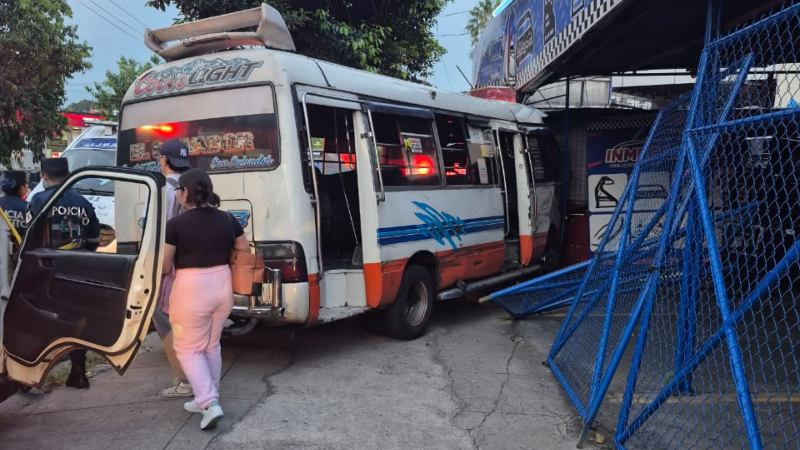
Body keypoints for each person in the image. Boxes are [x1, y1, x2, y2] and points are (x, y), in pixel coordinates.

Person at [164, 169, 248, 430]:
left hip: (192, 289)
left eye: (179, 191)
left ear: (186, 192)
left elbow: (166, 265)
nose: (177, 195)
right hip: (223, 286)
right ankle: (207, 398)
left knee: (187, 348)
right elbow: (244, 250)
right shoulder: (227, 219)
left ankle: (209, 403)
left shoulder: (176, 225)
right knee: (211, 345)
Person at [29, 158, 100, 389]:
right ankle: (78, 370)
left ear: (44, 175)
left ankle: (37, 374)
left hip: (48, 272)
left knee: (45, 320)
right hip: (78, 270)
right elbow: (94, 238)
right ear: (69, 174)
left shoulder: (39, 200)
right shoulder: (83, 202)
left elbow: (29, 239)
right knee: (77, 320)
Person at [154, 139, 194, 399]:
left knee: (162, 317)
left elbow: (161, 230)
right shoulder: (189, 187)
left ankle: (185, 379)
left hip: (170, 264)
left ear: (164, 160)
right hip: (191, 264)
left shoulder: (163, 190)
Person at [0, 171, 30, 236]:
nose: (27, 186)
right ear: (22, 187)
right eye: (26, 183)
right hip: (22, 245)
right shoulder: (28, 207)